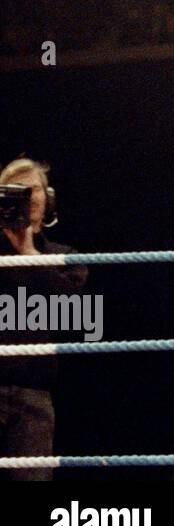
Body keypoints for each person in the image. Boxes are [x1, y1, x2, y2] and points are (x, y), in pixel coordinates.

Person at [0, 157, 87, 482]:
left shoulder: (63, 257)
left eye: (31, 189)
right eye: (15, 190)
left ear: (46, 197)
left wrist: (27, 253)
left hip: (33, 391)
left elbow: (73, 313)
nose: (24, 196)